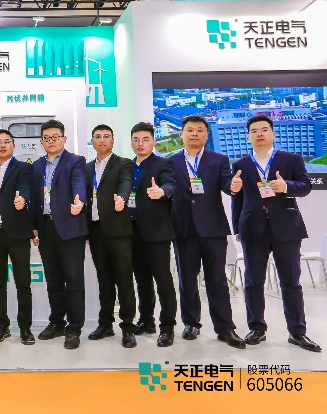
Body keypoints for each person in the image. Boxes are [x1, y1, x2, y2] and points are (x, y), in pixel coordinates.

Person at [231, 115, 321, 352]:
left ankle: (297, 332)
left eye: (264, 129)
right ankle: (257, 328)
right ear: (248, 136)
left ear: (273, 133)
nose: (259, 134)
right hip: (252, 229)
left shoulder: (291, 159)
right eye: (254, 131)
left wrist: (286, 186)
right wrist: (237, 228)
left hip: (286, 228)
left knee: (291, 282)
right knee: (253, 281)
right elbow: (237, 199)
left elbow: (306, 186)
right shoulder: (240, 165)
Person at [168, 116, 246, 349]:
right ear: (182, 134)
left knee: (217, 280)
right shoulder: (170, 161)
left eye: (200, 130)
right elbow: (168, 188)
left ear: (206, 134)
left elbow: (226, 185)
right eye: (190, 130)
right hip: (183, 228)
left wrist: (234, 187)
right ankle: (191, 323)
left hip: (213, 229)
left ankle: (225, 328)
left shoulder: (218, 160)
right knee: (187, 280)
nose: (194, 134)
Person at [30, 120, 87, 350]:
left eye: (55, 137)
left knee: (73, 280)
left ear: (64, 138)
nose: (51, 141)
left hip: (70, 228)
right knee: (53, 280)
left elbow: (79, 182)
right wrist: (33, 225)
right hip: (46, 228)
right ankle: (57, 322)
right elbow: (35, 198)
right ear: (41, 141)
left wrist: (79, 200)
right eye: (47, 138)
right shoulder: (36, 166)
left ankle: (74, 328)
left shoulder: (76, 161)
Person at [85, 124, 137, 348]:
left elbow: (126, 183)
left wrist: (122, 198)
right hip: (96, 230)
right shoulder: (87, 168)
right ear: (92, 142)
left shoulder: (123, 163)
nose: (102, 140)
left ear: (113, 141)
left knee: (124, 279)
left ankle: (128, 327)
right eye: (98, 136)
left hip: (118, 230)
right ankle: (105, 324)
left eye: (106, 136)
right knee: (104, 279)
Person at [128, 122, 177, 347]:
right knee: (142, 280)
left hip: (156, 232)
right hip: (132, 231)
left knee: (163, 280)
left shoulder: (163, 164)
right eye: (136, 140)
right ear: (131, 142)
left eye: (145, 139)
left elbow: (171, 185)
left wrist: (162, 192)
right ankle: (146, 321)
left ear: (153, 142)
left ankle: (167, 327)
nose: (140, 144)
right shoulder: (127, 166)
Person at [0, 129, 35, 345]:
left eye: (7, 141)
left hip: (17, 233)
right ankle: (2, 325)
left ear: (13, 146)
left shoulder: (23, 168)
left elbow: (25, 187)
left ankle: (25, 328)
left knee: (23, 282)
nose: (3, 145)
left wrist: (22, 198)